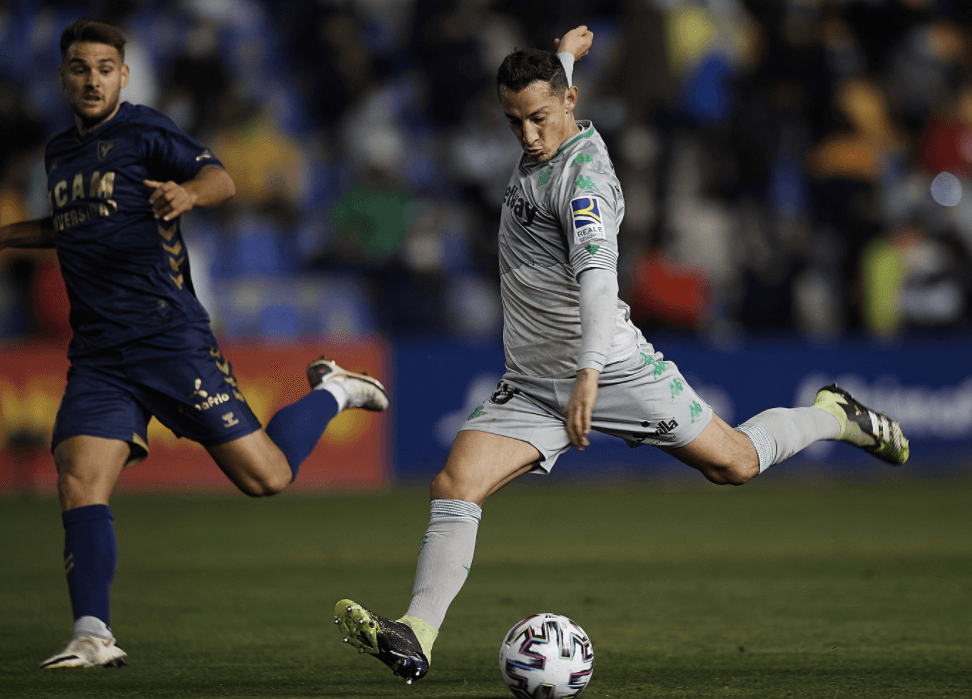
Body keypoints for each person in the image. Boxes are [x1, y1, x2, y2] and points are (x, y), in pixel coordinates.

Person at [332, 25, 910, 685]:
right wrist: (566, 54)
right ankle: (417, 634)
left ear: (569, 103)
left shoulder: (584, 185)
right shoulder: (554, 115)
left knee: (736, 464)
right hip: (532, 382)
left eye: (537, 118)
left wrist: (589, 375)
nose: (527, 135)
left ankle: (833, 415)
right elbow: (550, 88)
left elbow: (598, 282)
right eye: (514, 121)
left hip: (612, 370)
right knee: (455, 485)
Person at [0, 18, 390, 670]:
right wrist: (8, 236)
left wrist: (187, 191)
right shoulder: (60, 153)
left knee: (266, 477)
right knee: (78, 478)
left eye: (105, 69)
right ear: (62, 76)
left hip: (167, 338)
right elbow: (73, 224)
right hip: (98, 352)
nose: (93, 80)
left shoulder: (145, 131)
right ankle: (92, 634)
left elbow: (222, 180)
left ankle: (334, 390)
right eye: (80, 68)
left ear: (124, 76)